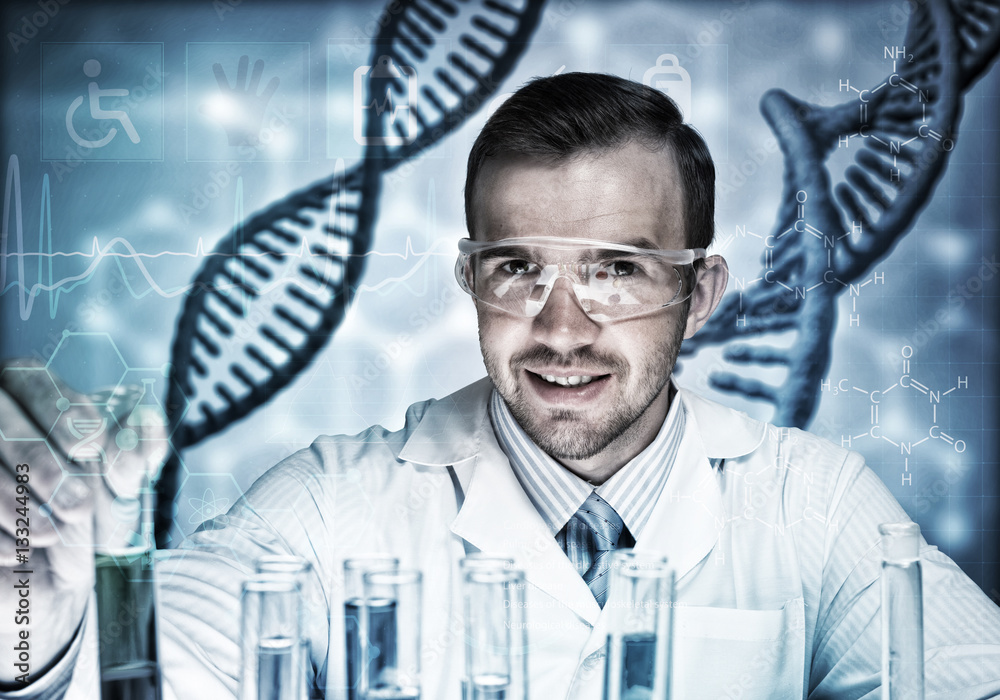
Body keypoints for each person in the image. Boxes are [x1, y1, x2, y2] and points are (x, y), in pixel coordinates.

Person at [2, 72, 1000, 699]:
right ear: (469, 280)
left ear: (699, 294)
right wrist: (41, 634)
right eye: (518, 268)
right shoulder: (330, 502)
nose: (562, 329)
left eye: (614, 268)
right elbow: (176, 656)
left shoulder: (809, 501)